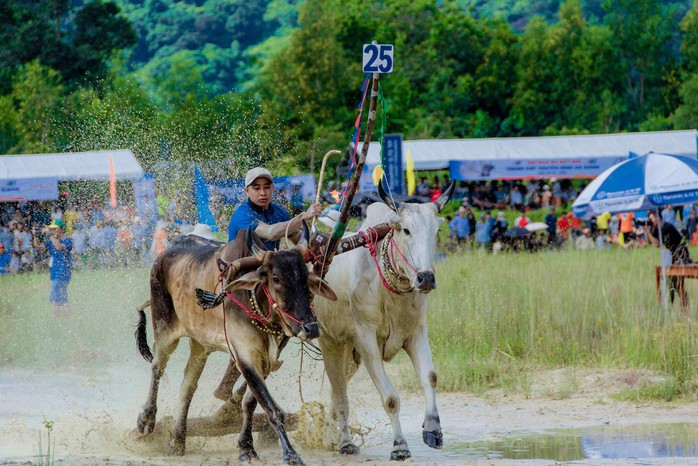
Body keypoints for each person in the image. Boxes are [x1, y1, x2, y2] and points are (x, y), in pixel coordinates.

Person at [228, 167, 322, 250]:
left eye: (267, 187)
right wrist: (303, 217)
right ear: (247, 191)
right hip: (242, 267)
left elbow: (298, 239)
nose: (263, 193)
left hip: (267, 266)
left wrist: (321, 244)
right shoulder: (242, 214)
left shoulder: (279, 211)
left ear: (272, 188)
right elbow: (270, 233)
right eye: (257, 188)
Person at [44, 219, 73, 316]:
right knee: (62, 297)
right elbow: (39, 247)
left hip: (63, 272)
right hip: (54, 272)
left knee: (55, 292)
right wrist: (35, 235)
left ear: (62, 229)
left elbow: (59, 247)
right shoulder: (52, 240)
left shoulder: (68, 241)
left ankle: (55, 315)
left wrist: (51, 236)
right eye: (52, 229)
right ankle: (64, 316)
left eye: (55, 229)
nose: (53, 231)